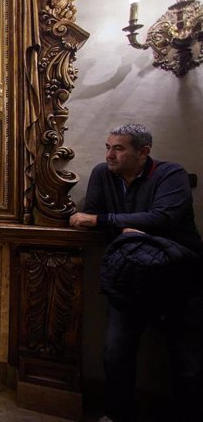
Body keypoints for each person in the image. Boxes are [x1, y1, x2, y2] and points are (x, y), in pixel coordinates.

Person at [70, 123, 203, 422]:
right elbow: (88, 216)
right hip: (128, 276)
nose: (110, 154)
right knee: (116, 353)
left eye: (119, 148)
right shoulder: (103, 175)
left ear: (143, 152)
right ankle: (118, 414)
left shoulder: (171, 174)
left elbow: (163, 217)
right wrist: (122, 225)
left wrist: (109, 221)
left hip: (177, 278)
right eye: (107, 147)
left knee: (188, 360)